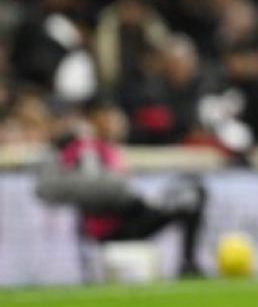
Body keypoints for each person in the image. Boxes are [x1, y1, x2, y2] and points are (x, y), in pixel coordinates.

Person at [38, 97, 207, 279]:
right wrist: (124, 195)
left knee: (192, 192)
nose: (112, 123)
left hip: (128, 215)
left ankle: (189, 263)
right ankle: (188, 263)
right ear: (92, 120)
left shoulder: (108, 148)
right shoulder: (84, 150)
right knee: (189, 198)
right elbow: (85, 186)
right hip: (109, 226)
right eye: (105, 118)